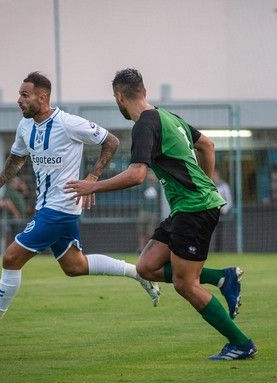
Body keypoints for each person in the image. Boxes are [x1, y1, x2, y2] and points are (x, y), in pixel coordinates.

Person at [65, 68, 256, 360]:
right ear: (143, 90)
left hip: (195, 209)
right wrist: (204, 182)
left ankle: (241, 344)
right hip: (189, 207)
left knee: (185, 284)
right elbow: (207, 144)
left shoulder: (144, 124)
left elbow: (136, 175)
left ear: (119, 96)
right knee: (147, 267)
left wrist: (92, 185)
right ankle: (223, 277)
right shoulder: (168, 117)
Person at [0, 72, 160, 338]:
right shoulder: (25, 127)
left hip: (60, 209)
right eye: (19, 95)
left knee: (11, 257)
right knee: (75, 266)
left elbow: (111, 141)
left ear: (42, 97)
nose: (19, 101)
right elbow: (16, 159)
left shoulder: (68, 123)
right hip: (47, 208)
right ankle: (137, 272)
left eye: (25, 95)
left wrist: (92, 177)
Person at [137, 171, 160, 253]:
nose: (151, 177)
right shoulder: (143, 185)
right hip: (143, 212)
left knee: (150, 233)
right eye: (150, 175)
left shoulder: (157, 187)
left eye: (153, 175)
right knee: (141, 231)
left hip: (153, 212)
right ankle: (141, 249)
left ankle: (148, 250)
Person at [212, 169, 233, 252]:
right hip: (209, 211)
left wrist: (223, 209)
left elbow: (229, 200)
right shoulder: (208, 185)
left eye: (215, 175)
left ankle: (218, 250)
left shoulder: (224, 186)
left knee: (219, 232)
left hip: (220, 212)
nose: (214, 177)